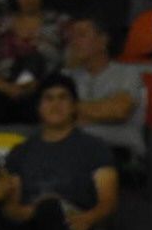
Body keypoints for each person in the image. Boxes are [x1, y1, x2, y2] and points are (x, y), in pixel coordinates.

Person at [0, 75, 117, 230]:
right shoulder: (20, 152)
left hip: (78, 226)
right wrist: (36, 211)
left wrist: (87, 219)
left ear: (74, 106)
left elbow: (108, 201)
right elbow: (12, 207)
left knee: (51, 208)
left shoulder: (94, 147)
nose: (55, 104)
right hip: (31, 229)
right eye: (48, 98)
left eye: (62, 98)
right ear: (38, 107)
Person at [62, 15, 147, 161]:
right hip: (74, 149)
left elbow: (119, 111)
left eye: (81, 35)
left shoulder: (127, 73)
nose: (74, 42)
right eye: (72, 37)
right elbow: (54, 115)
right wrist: (100, 110)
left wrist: (72, 111)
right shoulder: (66, 76)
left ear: (103, 40)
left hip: (117, 150)